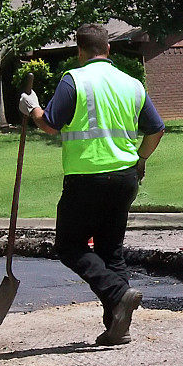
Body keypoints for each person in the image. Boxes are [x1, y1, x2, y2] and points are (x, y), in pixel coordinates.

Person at [19, 23, 165, 345]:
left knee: (69, 246)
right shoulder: (132, 84)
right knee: (110, 252)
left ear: (80, 51)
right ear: (109, 49)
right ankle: (118, 327)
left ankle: (118, 293)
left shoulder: (75, 80)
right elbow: (156, 129)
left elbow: (51, 125)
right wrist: (140, 159)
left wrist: (31, 109)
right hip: (126, 178)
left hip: (86, 178)